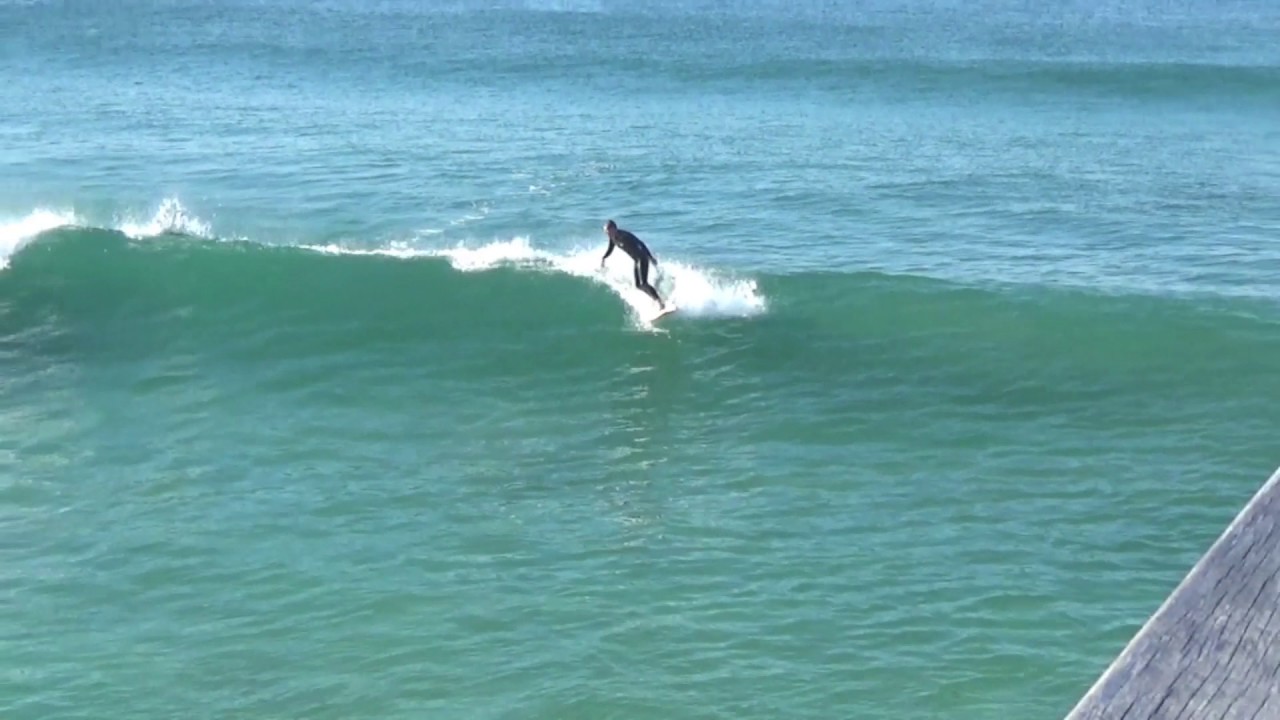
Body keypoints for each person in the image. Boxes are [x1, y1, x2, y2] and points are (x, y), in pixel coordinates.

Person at [600, 219, 664, 309]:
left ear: (614, 228)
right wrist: (604, 258)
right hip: (637, 260)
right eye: (606, 232)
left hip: (643, 258)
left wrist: (650, 257)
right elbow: (610, 248)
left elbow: (640, 243)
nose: (607, 234)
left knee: (644, 283)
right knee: (638, 285)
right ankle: (655, 298)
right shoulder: (613, 238)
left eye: (608, 231)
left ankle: (659, 302)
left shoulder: (624, 235)